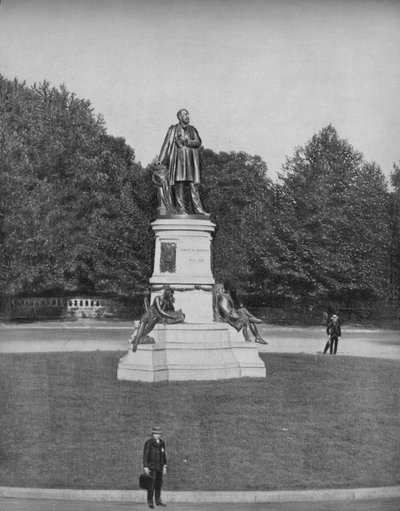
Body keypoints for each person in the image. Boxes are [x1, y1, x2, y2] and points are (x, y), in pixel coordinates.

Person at [157, 108, 208, 215]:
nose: (187, 116)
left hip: (190, 161)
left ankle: (199, 210)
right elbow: (166, 144)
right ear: (180, 117)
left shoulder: (192, 129)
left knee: (194, 186)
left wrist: (187, 141)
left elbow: (198, 142)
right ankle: (181, 210)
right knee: (179, 185)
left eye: (188, 114)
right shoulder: (173, 129)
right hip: (178, 161)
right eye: (185, 114)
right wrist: (160, 160)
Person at [130, 287, 185, 352]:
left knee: (153, 322)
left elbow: (167, 311)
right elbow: (160, 310)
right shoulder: (157, 298)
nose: (171, 296)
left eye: (171, 295)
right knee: (143, 322)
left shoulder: (166, 301)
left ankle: (140, 337)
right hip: (151, 312)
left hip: (157, 315)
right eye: (170, 295)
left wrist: (171, 302)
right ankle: (136, 343)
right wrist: (171, 317)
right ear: (166, 293)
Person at [143, 426, 167, 508]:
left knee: (158, 484)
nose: (158, 435)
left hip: (160, 467)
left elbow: (164, 455)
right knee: (151, 485)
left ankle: (158, 501)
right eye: (156, 433)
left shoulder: (162, 443)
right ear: (153, 434)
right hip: (151, 467)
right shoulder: (148, 443)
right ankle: (150, 502)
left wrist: (164, 466)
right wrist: (146, 467)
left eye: (159, 433)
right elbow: (145, 455)